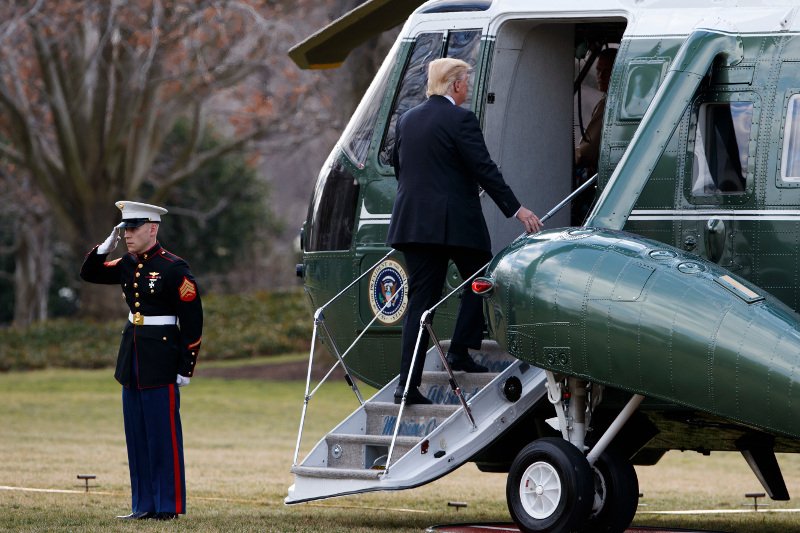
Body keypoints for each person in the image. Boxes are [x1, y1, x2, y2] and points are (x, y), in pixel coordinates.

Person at [387, 57, 542, 405]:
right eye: (466, 82)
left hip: (412, 223)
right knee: (481, 274)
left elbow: (402, 167)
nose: (468, 88)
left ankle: (406, 387)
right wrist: (517, 209)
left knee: (420, 304)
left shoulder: (408, 119)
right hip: (454, 222)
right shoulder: (460, 119)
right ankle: (459, 349)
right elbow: (483, 168)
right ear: (455, 85)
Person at [80, 201, 203, 520]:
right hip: (132, 357)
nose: (128, 235)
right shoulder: (126, 263)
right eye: (124, 229)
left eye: (133, 229)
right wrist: (105, 247)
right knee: (137, 436)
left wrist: (185, 366)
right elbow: (90, 273)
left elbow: (192, 320)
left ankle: (167, 506)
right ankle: (143, 505)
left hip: (162, 359)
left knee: (163, 435)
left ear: (153, 228)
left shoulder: (175, 268)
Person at [574, 47, 617, 224]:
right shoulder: (611, 100)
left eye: (607, 71)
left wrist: (571, 158)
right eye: (599, 71)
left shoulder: (609, 103)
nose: (601, 76)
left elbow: (587, 152)